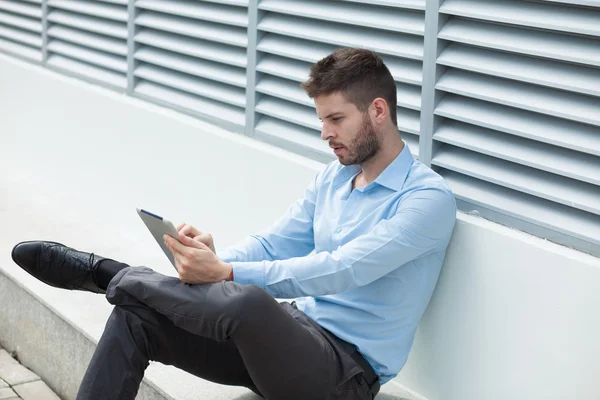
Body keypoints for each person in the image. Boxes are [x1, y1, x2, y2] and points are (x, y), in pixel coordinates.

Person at [11, 48, 456, 400]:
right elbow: (272, 244)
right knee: (136, 318)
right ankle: (127, 283)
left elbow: (342, 268)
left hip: (342, 376)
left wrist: (225, 275)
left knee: (249, 301)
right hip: (282, 344)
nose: (325, 133)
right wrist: (213, 259)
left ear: (379, 111)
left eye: (336, 119)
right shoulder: (334, 178)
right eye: (321, 119)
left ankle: (107, 273)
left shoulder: (426, 199)